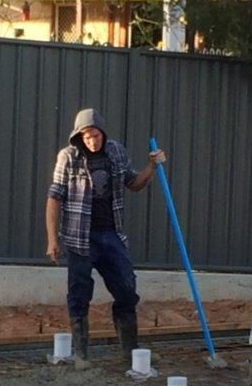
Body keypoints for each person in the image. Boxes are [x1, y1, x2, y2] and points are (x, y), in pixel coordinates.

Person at [45, 108, 166, 367]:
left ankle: (130, 353)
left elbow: (133, 183)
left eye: (96, 135)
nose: (91, 140)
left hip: (111, 234)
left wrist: (152, 166)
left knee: (126, 288)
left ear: (103, 133)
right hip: (79, 238)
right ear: (79, 136)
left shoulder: (116, 152)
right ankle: (81, 354)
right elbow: (54, 198)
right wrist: (52, 240)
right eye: (86, 136)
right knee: (79, 293)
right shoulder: (68, 157)